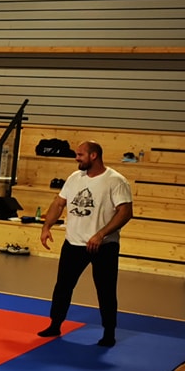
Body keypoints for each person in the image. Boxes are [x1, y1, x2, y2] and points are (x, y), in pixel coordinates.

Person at [37, 140, 133, 347]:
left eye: (80, 155)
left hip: (104, 246)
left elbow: (125, 212)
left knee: (106, 290)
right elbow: (59, 203)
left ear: (93, 156)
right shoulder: (74, 178)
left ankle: (109, 332)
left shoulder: (115, 181)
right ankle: (55, 324)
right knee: (63, 286)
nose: (76, 158)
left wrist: (101, 234)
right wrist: (46, 227)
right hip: (74, 243)